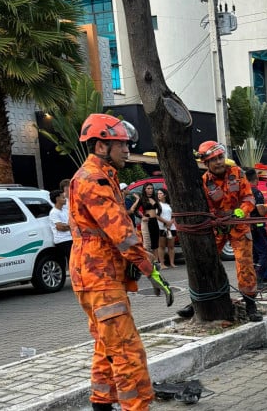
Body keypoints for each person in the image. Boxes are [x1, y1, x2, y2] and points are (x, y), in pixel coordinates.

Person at [69, 113, 172, 411]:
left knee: (106, 345)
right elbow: (122, 233)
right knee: (127, 351)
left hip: (96, 275)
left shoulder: (103, 176)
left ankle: (102, 403)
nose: (128, 150)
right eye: (122, 144)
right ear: (102, 146)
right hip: (98, 278)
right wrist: (149, 267)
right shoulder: (93, 179)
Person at [197, 140, 262, 321]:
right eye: (214, 159)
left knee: (245, 264)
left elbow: (249, 197)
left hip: (239, 226)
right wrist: (216, 218)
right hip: (218, 228)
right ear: (206, 163)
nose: (218, 162)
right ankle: (201, 300)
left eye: (220, 157)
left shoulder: (238, 173)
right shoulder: (203, 182)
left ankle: (250, 303)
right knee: (207, 263)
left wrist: (243, 210)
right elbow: (206, 207)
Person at [245, 168, 267, 283]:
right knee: (265, 253)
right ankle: (258, 279)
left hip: (248, 226)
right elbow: (262, 212)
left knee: (255, 254)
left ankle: (262, 276)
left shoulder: (245, 191)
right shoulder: (256, 192)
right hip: (257, 226)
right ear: (256, 178)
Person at [130, 183, 161, 253]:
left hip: (155, 221)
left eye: (152, 188)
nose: (150, 190)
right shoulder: (142, 199)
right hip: (147, 221)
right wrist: (142, 216)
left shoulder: (155, 198)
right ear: (145, 190)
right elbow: (135, 210)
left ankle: (157, 261)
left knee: (155, 242)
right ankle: (150, 261)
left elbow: (159, 209)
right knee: (147, 242)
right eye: (148, 189)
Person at [48, 189, 73, 262]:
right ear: (57, 199)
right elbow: (60, 227)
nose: (65, 199)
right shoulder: (54, 212)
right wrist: (71, 226)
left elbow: (71, 222)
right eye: (63, 197)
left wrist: (68, 226)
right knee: (71, 261)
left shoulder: (65, 210)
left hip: (71, 238)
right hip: (63, 241)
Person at [156, 189, 177, 268]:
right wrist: (166, 222)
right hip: (161, 227)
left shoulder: (170, 204)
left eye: (160, 193)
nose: (159, 195)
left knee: (171, 246)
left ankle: (172, 263)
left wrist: (171, 222)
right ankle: (162, 264)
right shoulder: (157, 204)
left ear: (165, 195)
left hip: (171, 228)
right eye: (158, 194)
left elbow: (174, 215)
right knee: (161, 246)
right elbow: (157, 216)